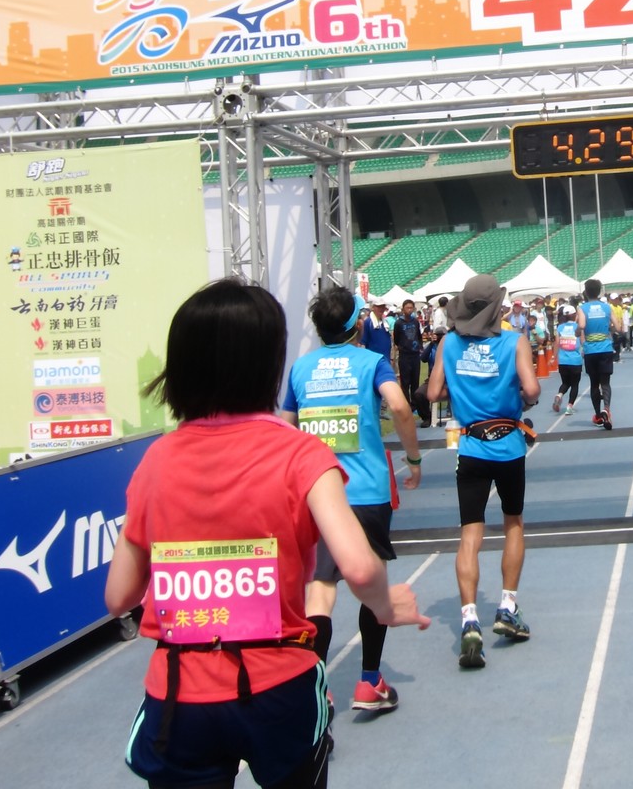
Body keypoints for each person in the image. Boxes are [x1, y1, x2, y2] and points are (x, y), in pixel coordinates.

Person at [106, 279, 428, 789]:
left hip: (179, 694)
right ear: (269, 363)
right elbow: (360, 567)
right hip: (277, 686)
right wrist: (386, 606)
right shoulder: (301, 455)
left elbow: (119, 595)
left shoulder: (155, 461)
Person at [280, 286, 424, 718]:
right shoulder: (371, 363)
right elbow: (400, 407)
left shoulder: (301, 369)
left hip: (315, 493)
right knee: (372, 586)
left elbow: (284, 427)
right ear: (354, 324)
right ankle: (369, 680)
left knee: (320, 590)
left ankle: (316, 686)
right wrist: (414, 458)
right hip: (366, 492)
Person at [427, 273, 539, 668]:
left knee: (470, 534)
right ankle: (507, 606)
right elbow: (532, 390)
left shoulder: (449, 342)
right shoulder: (514, 341)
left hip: (471, 446)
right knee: (513, 522)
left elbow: (433, 392)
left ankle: (469, 619)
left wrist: (461, 388)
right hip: (507, 445)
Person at [578, 280, 616, 426]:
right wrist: (609, 329)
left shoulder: (582, 308)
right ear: (599, 291)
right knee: (605, 382)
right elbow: (618, 327)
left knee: (594, 383)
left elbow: (582, 325)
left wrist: (577, 331)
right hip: (605, 348)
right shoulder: (607, 307)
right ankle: (607, 408)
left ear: (586, 292)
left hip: (590, 350)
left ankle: (598, 415)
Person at [390, 298, 430, 427]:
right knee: (405, 383)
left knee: (415, 382)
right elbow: (397, 339)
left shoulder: (415, 321)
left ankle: (416, 405)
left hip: (414, 355)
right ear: (403, 309)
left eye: (411, 308)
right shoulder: (398, 323)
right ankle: (407, 407)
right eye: (407, 308)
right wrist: (402, 347)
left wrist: (419, 346)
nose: (409, 310)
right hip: (404, 356)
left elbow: (418, 336)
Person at [550, 304, 583, 414]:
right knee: (575, 384)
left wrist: (554, 357)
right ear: (575, 315)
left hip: (563, 360)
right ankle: (569, 406)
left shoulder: (560, 327)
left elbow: (556, 343)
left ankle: (559, 394)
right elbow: (583, 341)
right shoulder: (578, 327)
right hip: (575, 360)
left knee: (565, 383)